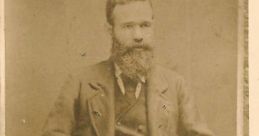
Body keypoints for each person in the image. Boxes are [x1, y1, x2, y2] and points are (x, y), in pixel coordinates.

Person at [42, 0, 215, 136]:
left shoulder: (175, 86)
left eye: (145, 25)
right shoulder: (80, 83)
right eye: (128, 26)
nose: (138, 36)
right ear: (110, 31)